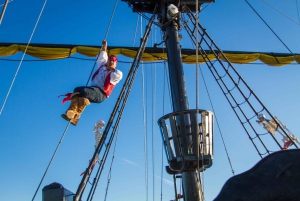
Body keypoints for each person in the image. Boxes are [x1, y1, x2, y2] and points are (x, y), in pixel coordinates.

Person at [61, 40, 123, 125]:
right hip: (92, 89)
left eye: (113, 61)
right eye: (110, 60)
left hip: (101, 94)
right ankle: (72, 112)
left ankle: (76, 116)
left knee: (85, 92)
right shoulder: (102, 67)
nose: (111, 62)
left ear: (116, 64)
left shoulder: (113, 74)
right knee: (77, 89)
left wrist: (111, 68)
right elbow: (103, 56)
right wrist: (104, 46)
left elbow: (118, 75)